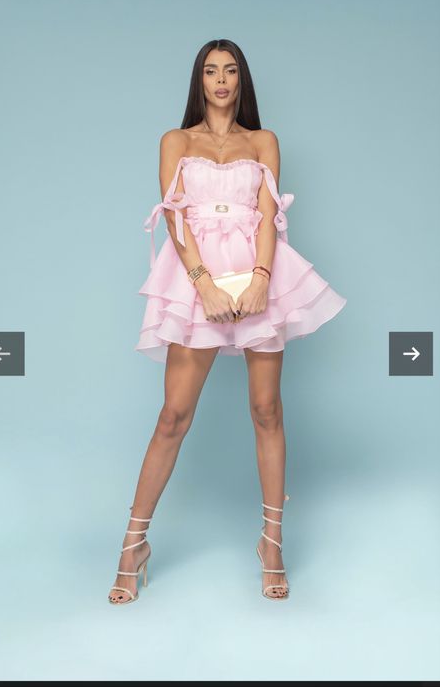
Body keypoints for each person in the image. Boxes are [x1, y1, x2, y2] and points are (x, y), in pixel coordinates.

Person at [108, 39, 347, 604]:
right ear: (200, 80)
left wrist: (262, 277)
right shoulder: (177, 140)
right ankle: (133, 545)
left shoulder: (263, 141)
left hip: (258, 272)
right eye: (211, 71)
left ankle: (272, 544)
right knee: (173, 416)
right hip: (199, 281)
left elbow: (268, 215)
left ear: (242, 80)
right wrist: (204, 285)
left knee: (267, 410)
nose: (221, 80)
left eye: (230, 71)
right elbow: (175, 218)